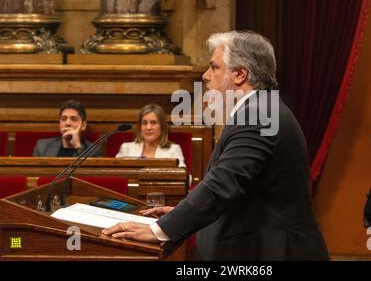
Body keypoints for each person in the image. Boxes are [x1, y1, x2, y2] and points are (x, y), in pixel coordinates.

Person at [103, 30, 329, 260]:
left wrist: (160, 230)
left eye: (214, 67)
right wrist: (180, 214)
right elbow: (242, 193)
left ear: (240, 74)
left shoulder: (258, 115)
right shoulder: (262, 110)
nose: (205, 76)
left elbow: (223, 184)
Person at [115, 104, 186, 168]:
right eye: (144, 123)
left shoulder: (173, 150)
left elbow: (185, 177)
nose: (148, 127)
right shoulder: (126, 148)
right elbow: (115, 174)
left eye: (153, 123)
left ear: (162, 126)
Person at [32, 100, 101, 157]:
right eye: (63, 119)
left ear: (83, 125)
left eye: (73, 119)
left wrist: (77, 146)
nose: (67, 123)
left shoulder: (93, 151)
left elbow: (86, 172)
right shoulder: (42, 146)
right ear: (59, 124)